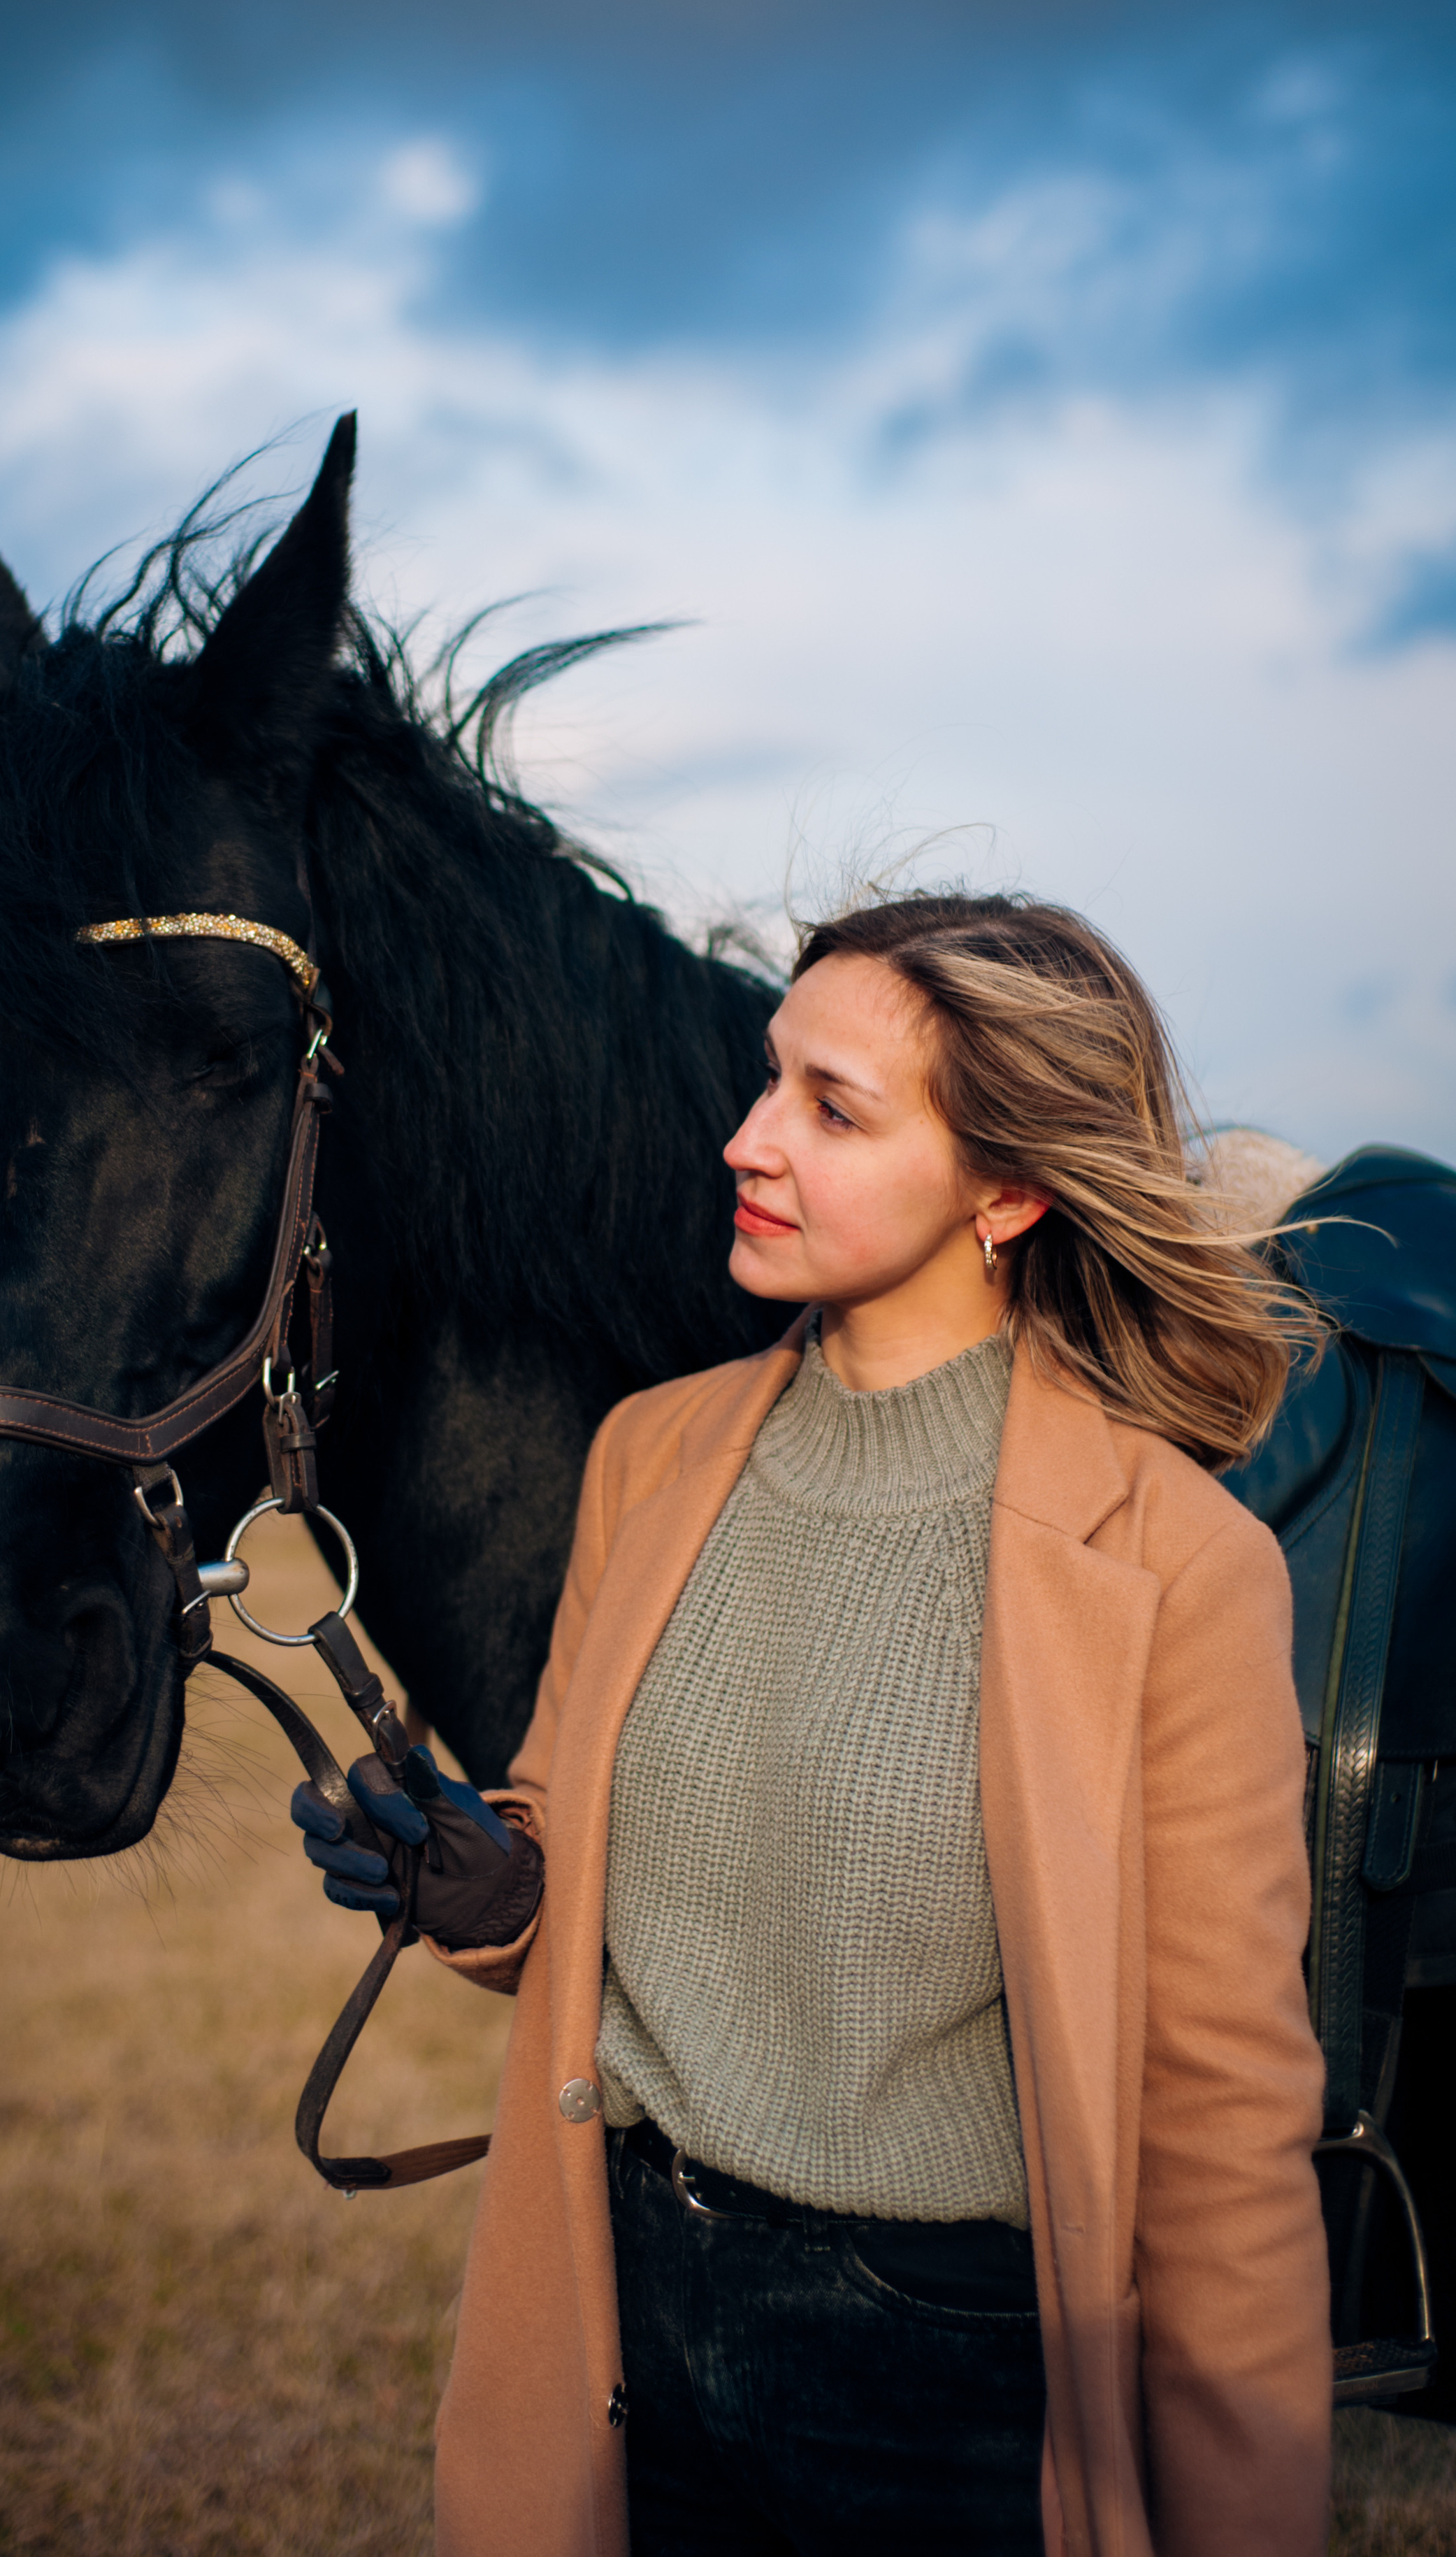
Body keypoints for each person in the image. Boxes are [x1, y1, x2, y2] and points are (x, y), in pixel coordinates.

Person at [294, 890, 1332, 2557]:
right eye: (766, 1078)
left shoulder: (1172, 1567)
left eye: (829, 1108)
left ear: (1008, 1189)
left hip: (944, 2388)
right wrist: (492, 1890)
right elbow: (569, 1841)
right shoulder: (646, 1454)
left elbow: (1219, 2136)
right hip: (620, 2320)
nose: (745, 1140)